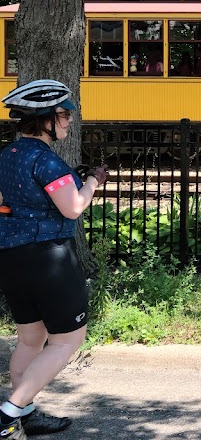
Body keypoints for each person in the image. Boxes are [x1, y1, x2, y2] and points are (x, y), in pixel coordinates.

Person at [0, 80, 107, 439]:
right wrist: (92, 181)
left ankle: (25, 416)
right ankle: (8, 413)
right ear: (44, 119)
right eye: (63, 114)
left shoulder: (7, 155)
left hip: (12, 260)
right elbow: (73, 208)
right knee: (66, 342)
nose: (69, 121)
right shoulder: (46, 160)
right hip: (51, 261)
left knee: (30, 341)